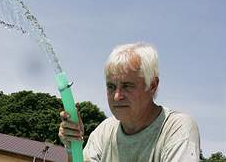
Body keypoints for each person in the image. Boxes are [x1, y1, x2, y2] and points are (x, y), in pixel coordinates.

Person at [58, 42, 200, 162]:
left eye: (127, 86)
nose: (117, 97)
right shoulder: (104, 131)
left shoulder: (177, 129)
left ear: (152, 85)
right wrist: (72, 148)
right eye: (111, 87)